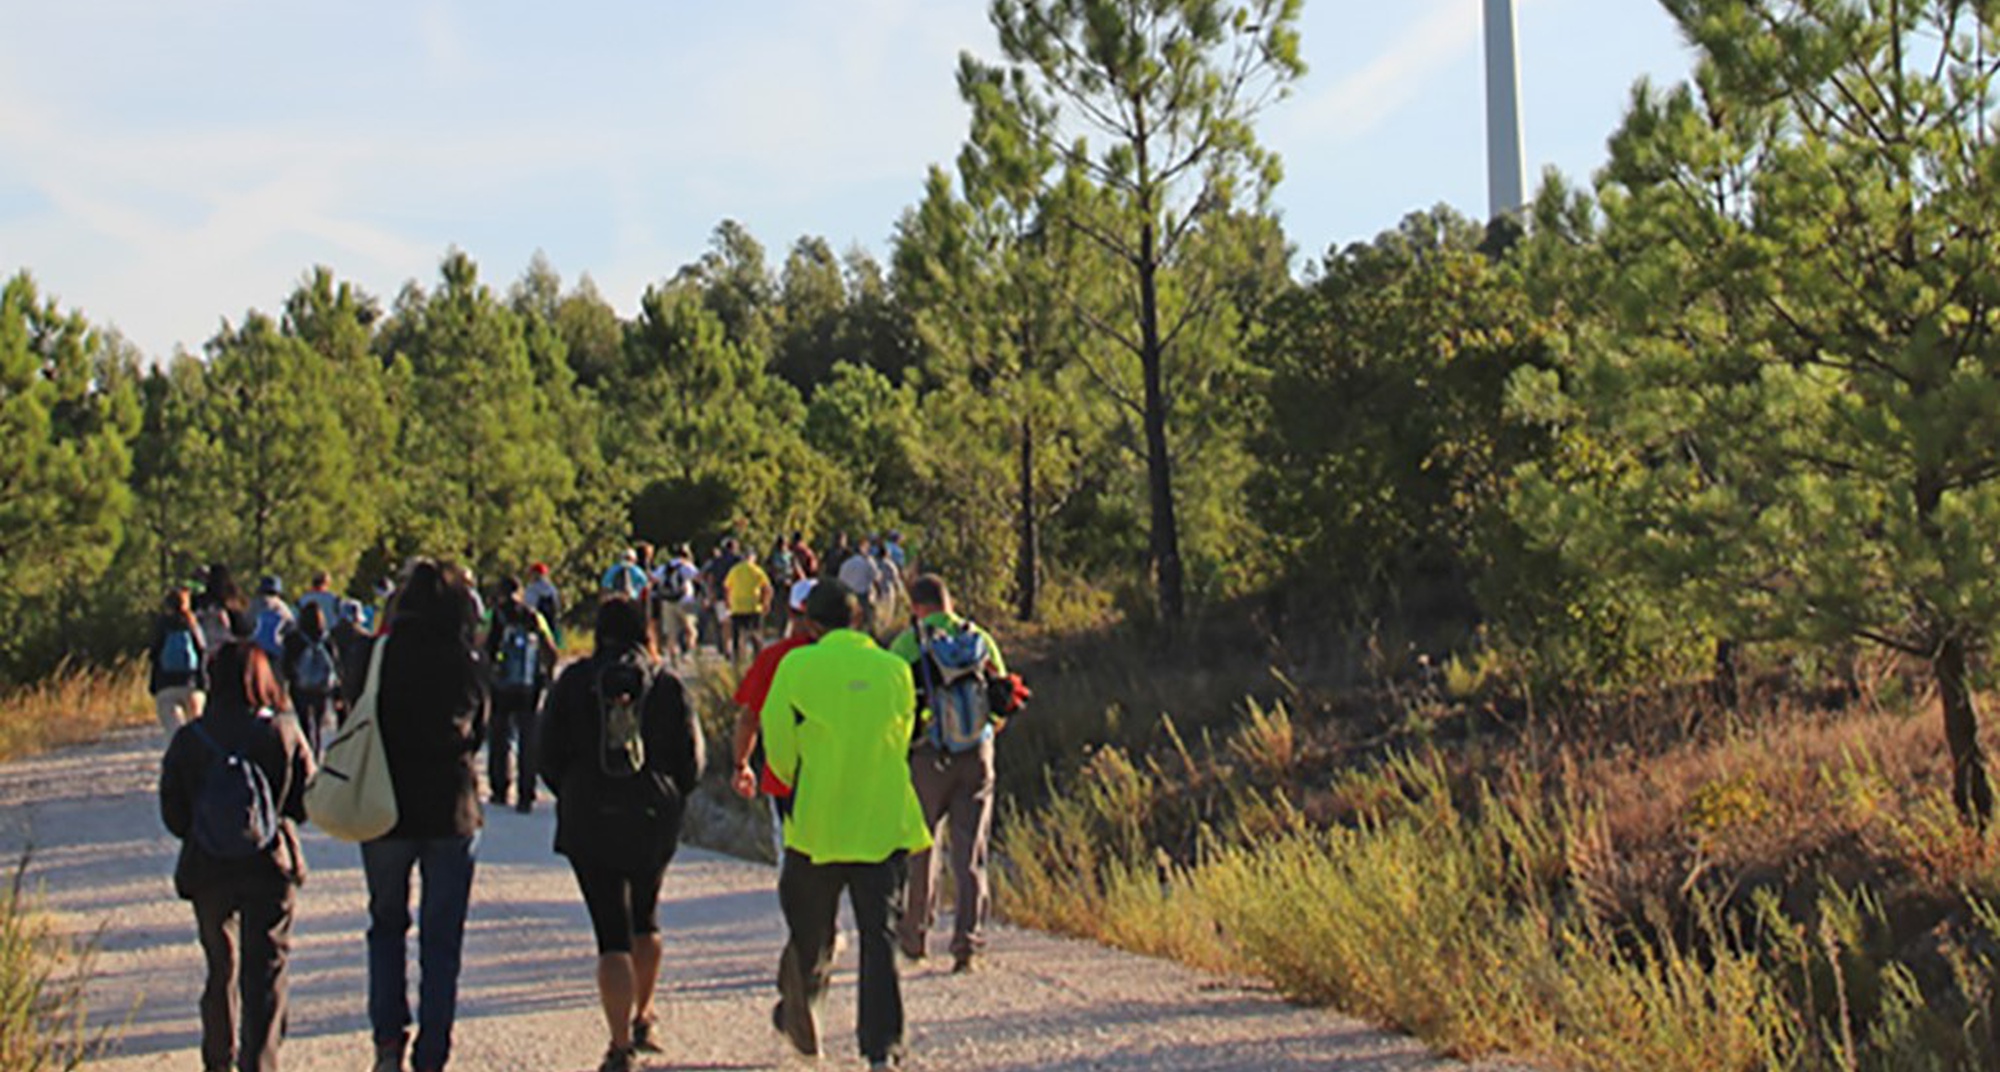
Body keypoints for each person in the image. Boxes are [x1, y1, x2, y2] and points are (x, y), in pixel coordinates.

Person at [760, 583, 930, 1071]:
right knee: (880, 937)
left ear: (811, 624)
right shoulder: (894, 669)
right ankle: (881, 1049)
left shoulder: (796, 666)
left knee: (810, 929)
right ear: (859, 620)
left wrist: (797, 779)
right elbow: (905, 734)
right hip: (882, 821)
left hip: (817, 824)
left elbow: (778, 743)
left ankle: (803, 1002)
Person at [539, 597, 704, 1072]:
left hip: (589, 814)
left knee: (610, 932)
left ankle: (617, 1047)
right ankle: (644, 1015)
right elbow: (692, 760)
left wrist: (572, 790)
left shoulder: (573, 682)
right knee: (646, 916)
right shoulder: (666, 684)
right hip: (652, 814)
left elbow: (547, 753)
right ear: (644, 631)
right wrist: (672, 794)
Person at [159, 638, 314, 1072]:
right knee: (265, 969)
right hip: (269, 864)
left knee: (220, 966)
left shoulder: (191, 738)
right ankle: (258, 1061)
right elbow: (305, 803)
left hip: (208, 866)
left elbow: (173, 812)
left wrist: (204, 829)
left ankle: (218, 1057)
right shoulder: (281, 730)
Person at [363, 559, 487, 1072]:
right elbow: (479, 729)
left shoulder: (379, 653)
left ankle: (388, 1041)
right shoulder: (463, 658)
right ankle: (434, 1048)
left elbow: (355, 709)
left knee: (387, 925)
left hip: (384, 805)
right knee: (442, 936)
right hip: (449, 808)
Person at [891, 574, 1010, 973]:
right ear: (949, 601)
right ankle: (967, 944)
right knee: (970, 852)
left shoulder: (908, 643)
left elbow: (895, 703)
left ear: (916, 605)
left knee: (922, 848)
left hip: (926, 756)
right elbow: (1003, 700)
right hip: (977, 755)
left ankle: (915, 937)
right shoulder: (978, 637)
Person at [729, 579, 821, 859]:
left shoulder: (774, 657)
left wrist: (741, 764)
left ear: (791, 613)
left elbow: (749, 718)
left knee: (793, 857)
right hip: (844, 773)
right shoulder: (860, 658)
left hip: (787, 777)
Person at [485, 577, 559, 814]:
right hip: (529, 686)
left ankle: (499, 789)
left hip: (501, 685)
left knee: (499, 736)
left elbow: (483, 645)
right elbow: (551, 648)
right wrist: (548, 673)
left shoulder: (494, 616)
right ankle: (526, 794)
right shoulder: (534, 616)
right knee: (528, 739)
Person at [281, 601, 342, 757]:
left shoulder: (294, 639)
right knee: (319, 720)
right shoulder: (327, 640)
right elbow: (335, 662)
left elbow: (286, 663)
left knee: (303, 720)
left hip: (300, 686)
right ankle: (316, 751)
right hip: (321, 687)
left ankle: (306, 750)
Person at [150, 586, 208, 737]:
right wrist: (204, 682)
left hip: (166, 685)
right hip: (192, 684)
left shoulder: (162, 624)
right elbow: (202, 651)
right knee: (198, 731)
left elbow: (154, 654)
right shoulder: (192, 623)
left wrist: (154, 684)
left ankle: (181, 755)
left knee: (175, 733)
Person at [653, 545, 701, 666]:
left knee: (671, 633)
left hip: (668, 601)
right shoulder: (686, 566)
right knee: (691, 631)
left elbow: (653, 579)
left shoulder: (665, 567)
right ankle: (687, 653)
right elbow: (698, 578)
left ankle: (673, 658)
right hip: (685, 601)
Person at [724, 549, 773, 664]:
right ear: (753, 558)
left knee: (737, 636)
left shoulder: (734, 570)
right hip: (753, 607)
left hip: (737, 607)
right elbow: (767, 588)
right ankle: (758, 659)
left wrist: (728, 602)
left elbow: (727, 587)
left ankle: (738, 660)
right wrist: (766, 603)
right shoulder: (757, 570)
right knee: (756, 635)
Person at [837, 539, 881, 632]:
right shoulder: (868, 562)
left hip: (847, 596)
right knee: (868, 621)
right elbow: (876, 578)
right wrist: (879, 592)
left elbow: (840, 580)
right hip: (862, 596)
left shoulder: (845, 564)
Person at [250, 576, 295, 663]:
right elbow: (292, 628)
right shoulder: (283, 607)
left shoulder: (253, 604)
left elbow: (246, 624)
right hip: (275, 650)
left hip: (254, 647)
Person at [524, 562, 565, 648]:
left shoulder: (532, 588)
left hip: (536, 623)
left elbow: (529, 605)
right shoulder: (551, 588)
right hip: (552, 622)